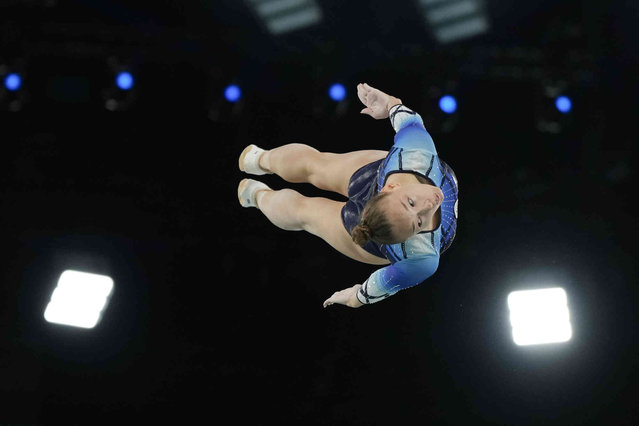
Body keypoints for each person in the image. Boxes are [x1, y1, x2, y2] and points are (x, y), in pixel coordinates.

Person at [237, 83, 458, 308]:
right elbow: (402, 115)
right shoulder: (416, 156)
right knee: (311, 178)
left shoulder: (421, 259)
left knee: (306, 203)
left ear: (407, 239)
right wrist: (389, 103)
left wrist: (356, 297)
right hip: (374, 176)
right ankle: (260, 164)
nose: (430, 204)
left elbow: (377, 286)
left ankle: (258, 193)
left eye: (418, 223)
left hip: (367, 234)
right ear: (391, 187)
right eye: (410, 202)